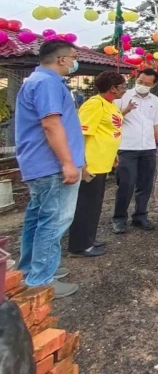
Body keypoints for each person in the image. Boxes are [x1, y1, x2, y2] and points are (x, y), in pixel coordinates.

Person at [14, 39, 84, 298]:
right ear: (62, 59)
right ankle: (41, 280)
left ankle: (29, 270)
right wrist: (67, 162)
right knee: (54, 220)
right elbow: (51, 125)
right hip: (52, 164)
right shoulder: (47, 83)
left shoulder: (37, 81)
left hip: (40, 164)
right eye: (74, 56)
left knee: (38, 217)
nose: (75, 61)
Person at [67, 71, 127, 257]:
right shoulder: (95, 104)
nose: (125, 89)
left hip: (103, 162)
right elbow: (80, 134)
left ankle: (88, 239)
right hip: (90, 164)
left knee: (95, 204)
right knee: (86, 205)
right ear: (113, 88)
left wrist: (113, 153)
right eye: (123, 86)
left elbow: (109, 132)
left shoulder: (110, 105)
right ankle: (79, 246)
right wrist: (81, 162)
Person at [112, 68, 158, 234]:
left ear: (154, 84)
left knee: (145, 184)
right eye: (140, 82)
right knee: (126, 184)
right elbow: (113, 120)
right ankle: (119, 218)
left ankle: (140, 215)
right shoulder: (123, 96)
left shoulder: (155, 100)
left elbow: (157, 122)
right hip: (127, 147)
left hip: (148, 148)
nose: (142, 85)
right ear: (136, 79)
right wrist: (126, 110)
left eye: (147, 84)